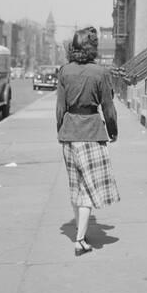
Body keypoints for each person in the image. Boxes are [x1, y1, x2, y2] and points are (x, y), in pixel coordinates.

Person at [56, 26, 120, 256]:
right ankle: (80, 240)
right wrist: (112, 130)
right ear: (92, 48)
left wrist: (60, 130)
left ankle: (79, 232)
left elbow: (60, 107)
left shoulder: (64, 71)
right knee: (87, 190)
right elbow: (108, 108)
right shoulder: (100, 73)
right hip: (91, 132)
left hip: (69, 133)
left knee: (76, 187)